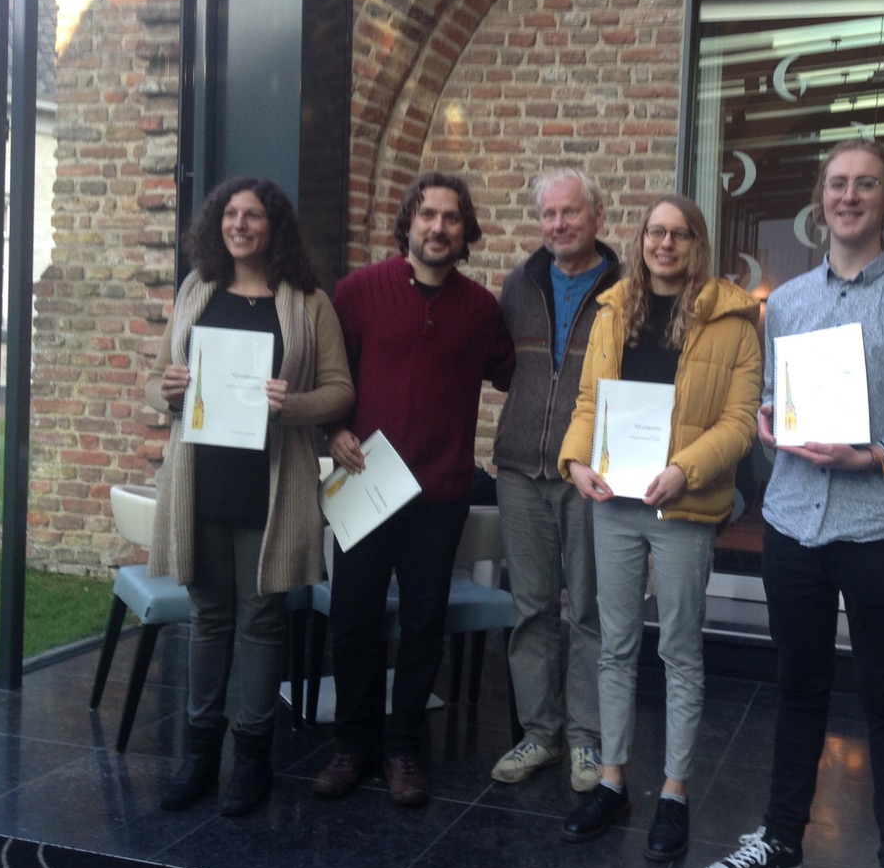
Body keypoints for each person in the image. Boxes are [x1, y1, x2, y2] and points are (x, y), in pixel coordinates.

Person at [705, 139, 884, 868]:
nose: (849, 196)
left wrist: (875, 454)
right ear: (820, 200)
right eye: (837, 184)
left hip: (879, 528)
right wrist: (768, 417)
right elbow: (775, 395)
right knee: (797, 687)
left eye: (865, 185)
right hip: (793, 522)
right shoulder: (787, 302)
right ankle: (782, 840)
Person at [557, 194, 762, 860]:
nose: (664, 244)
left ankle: (674, 791)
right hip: (615, 503)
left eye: (678, 234)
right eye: (654, 232)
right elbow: (589, 401)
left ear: (696, 243)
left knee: (678, 650)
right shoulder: (614, 310)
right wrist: (575, 460)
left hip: (683, 505)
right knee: (614, 645)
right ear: (641, 240)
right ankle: (612, 780)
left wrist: (684, 470)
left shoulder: (733, 320)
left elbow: (740, 422)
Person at [146, 176, 354, 816]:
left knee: (262, 622)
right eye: (231, 214)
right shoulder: (195, 290)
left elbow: (340, 391)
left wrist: (293, 406)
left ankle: (253, 759)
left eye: (254, 215)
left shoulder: (308, 302)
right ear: (218, 223)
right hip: (201, 480)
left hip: (272, 483)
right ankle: (200, 756)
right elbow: (159, 383)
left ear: (275, 226)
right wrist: (168, 389)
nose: (240, 224)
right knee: (209, 618)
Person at [312, 171, 515, 806]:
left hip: (440, 491)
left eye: (451, 218)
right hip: (365, 482)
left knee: (424, 625)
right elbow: (328, 374)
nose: (438, 227)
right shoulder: (357, 293)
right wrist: (332, 430)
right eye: (428, 215)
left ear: (465, 230)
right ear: (409, 222)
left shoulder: (481, 310)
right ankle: (353, 745)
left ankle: (403, 749)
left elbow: (519, 374)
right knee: (354, 619)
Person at [490, 168, 620, 793]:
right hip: (520, 467)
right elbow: (500, 365)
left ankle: (586, 740)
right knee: (531, 608)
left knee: (589, 609)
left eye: (570, 212)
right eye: (549, 214)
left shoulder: (625, 289)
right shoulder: (518, 285)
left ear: (597, 216)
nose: (559, 224)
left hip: (591, 471)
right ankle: (540, 733)